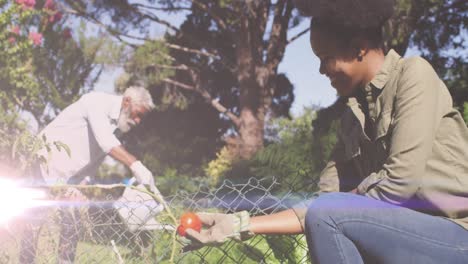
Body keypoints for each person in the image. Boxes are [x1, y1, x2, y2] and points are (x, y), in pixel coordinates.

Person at [183, 0, 468, 263]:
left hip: (456, 235)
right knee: (327, 215)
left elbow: (398, 186)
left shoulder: (414, 75)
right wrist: (240, 225)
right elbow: (322, 207)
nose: (320, 70)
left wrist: (348, 198)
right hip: (400, 237)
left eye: (326, 57)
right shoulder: (352, 118)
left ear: (358, 48)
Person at [19, 86, 157, 263]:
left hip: (70, 180)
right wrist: (137, 165)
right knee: (33, 223)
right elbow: (105, 141)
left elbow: (94, 159)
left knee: (72, 225)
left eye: (141, 118)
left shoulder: (118, 126)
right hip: (44, 166)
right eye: (137, 114)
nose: (137, 121)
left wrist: (83, 185)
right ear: (126, 102)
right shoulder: (96, 102)